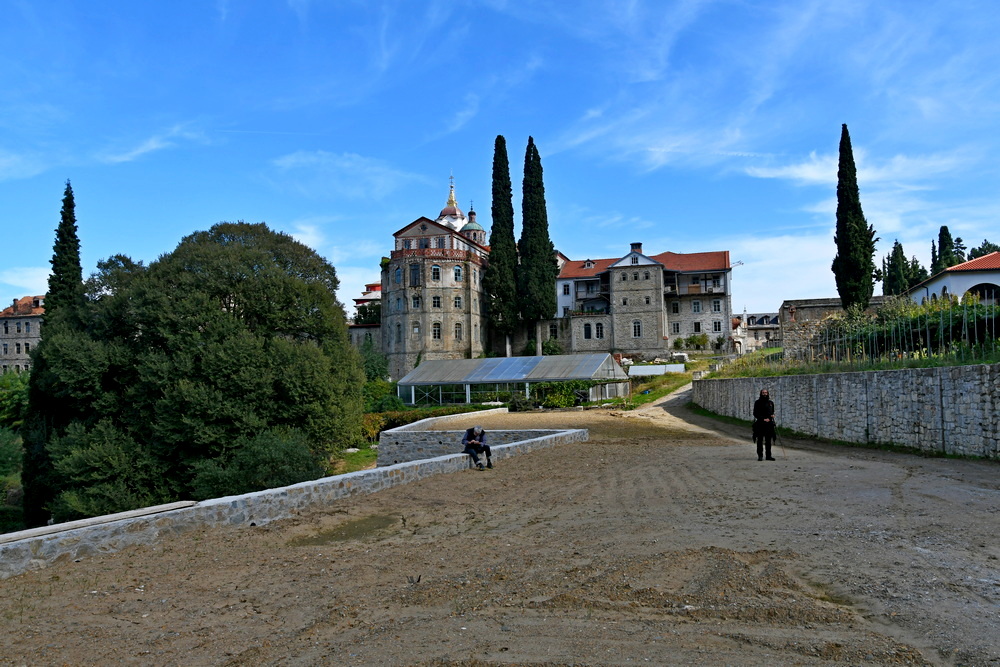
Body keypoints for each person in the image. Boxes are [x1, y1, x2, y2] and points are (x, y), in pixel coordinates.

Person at [752, 389, 776, 461]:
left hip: (769, 424)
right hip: (760, 424)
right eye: (763, 393)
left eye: (766, 393)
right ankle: (760, 456)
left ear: (768, 393)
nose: (765, 394)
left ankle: (768, 456)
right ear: (761, 394)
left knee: (768, 440)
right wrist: (763, 419)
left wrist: (772, 416)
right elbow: (755, 413)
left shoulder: (770, 403)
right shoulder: (757, 402)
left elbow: (772, 412)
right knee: (760, 440)